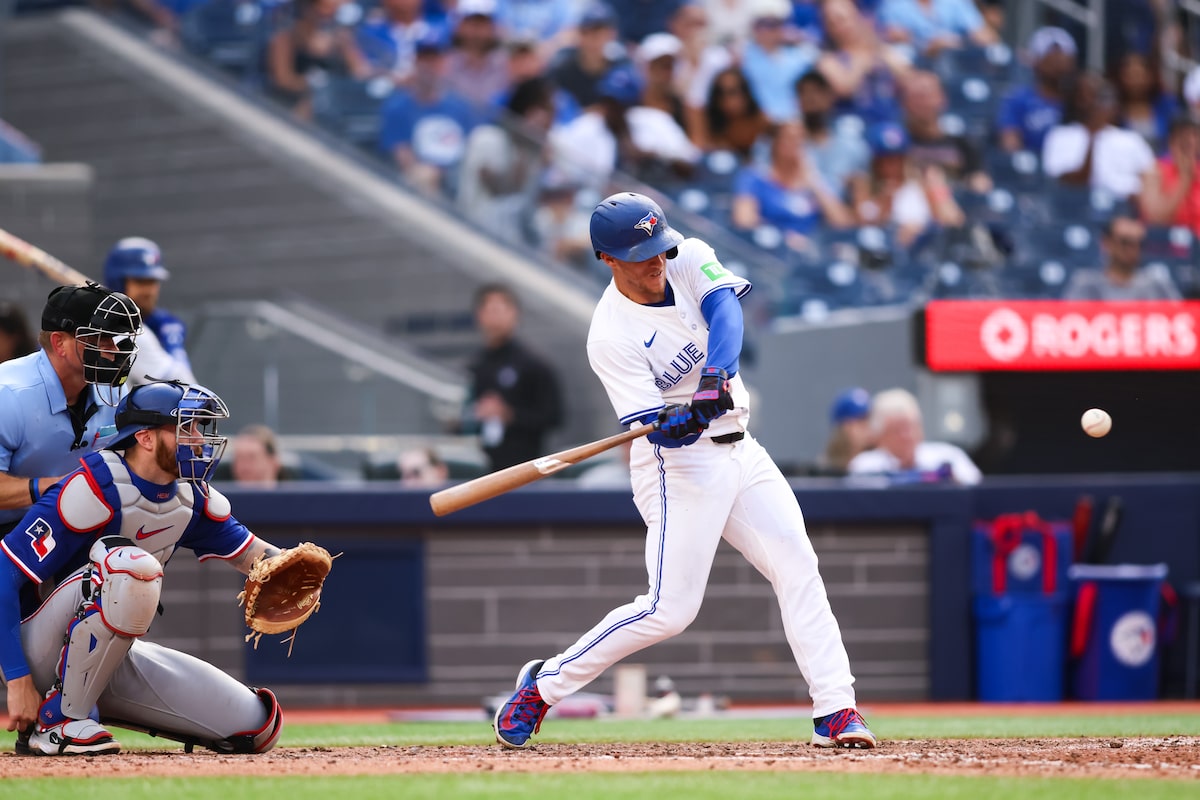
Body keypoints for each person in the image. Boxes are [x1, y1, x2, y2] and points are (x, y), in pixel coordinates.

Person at [490, 191, 877, 751]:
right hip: (679, 467)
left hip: (742, 449)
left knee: (798, 565)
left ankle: (836, 709)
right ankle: (544, 684)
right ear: (607, 258)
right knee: (669, 611)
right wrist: (680, 421)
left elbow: (726, 312)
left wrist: (714, 378)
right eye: (639, 254)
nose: (656, 261)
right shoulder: (610, 335)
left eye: (658, 247)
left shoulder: (688, 255)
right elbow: (659, 431)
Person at [0, 381, 289, 755]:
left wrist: (292, 567)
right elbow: (3, 575)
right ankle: (58, 723)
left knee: (257, 725)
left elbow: (258, 557)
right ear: (146, 438)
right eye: (186, 427)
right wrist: (18, 680)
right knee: (130, 567)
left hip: (109, 656)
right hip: (41, 650)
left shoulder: (191, 496)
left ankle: (85, 709)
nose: (198, 439)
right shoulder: (92, 487)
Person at [0, 283, 141, 536]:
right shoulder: (7, 393)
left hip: (70, 522)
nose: (113, 350)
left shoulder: (115, 389)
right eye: (99, 338)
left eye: (113, 338)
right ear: (59, 343)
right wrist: (62, 487)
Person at [464, 284, 563, 472]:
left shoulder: (534, 364)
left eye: (499, 310)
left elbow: (554, 417)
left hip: (524, 466)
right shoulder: (475, 365)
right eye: (489, 311)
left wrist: (509, 414)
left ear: (514, 313)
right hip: (481, 465)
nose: (494, 318)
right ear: (479, 315)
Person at [377, 29, 480, 197]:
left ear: (444, 63)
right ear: (415, 61)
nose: (430, 66)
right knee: (423, 176)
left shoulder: (460, 107)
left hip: (458, 180)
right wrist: (434, 175)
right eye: (425, 59)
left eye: (435, 59)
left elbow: (469, 150)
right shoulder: (397, 107)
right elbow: (404, 158)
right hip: (416, 185)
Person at [730, 121, 854, 249]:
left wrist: (814, 182)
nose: (796, 144)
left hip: (810, 250)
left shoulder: (816, 181)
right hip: (768, 249)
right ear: (774, 142)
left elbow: (843, 224)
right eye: (789, 138)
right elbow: (744, 220)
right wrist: (785, 238)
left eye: (801, 139)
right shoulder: (753, 177)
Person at [1042, 72, 1155, 201]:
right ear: (1077, 99)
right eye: (1090, 95)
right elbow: (1070, 183)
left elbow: (1151, 181)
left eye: (1102, 97)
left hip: (1126, 207)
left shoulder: (1131, 139)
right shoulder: (1060, 136)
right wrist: (1092, 137)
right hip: (1076, 207)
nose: (1096, 102)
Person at [102, 237, 196, 386]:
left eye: (152, 282)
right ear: (118, 283)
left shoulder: (156, 325)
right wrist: (173, 348)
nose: (149, 291)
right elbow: (184, 388)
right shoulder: (128, 333)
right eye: (140, 281)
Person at [847, 388, 981, 484]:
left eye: (910, 428)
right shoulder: (865, 466)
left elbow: (976, 491)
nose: (907, 436)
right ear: (880, 436)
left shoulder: (949, 456)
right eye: (897, 430)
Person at [265, 0, 372, 119]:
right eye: (323, 7)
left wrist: (346, 46)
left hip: (327, 113)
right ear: (307, 7)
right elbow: (283, 79)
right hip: (285, 108)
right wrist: (312, 86)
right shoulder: (286, 37)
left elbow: (360, 72)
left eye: (332, 9)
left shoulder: (339, 41)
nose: (327, 13)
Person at [1061, 213, 1182, 301]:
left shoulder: (1158, 286)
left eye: (1140, 243)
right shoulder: (1086, 284)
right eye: (1125, 242)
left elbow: (1182, 319)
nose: (1133, 249)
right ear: (1106, 243)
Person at [995, 26, 1077, 155]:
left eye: (1063, 57)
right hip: (1033, 163)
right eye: (1052, 56)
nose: (1059, 64)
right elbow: (1010, 144)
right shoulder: (1019, 99)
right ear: (1036, 60)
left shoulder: (1080, 99)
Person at [795, 70, 870, 199]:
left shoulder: (852, 146)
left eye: (817, 92)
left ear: (829, 97)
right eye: (804, 93)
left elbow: (862, 194)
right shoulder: (786, 145)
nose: (810, 98)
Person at [1141, 116, 1200, 236]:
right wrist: (1184, 180)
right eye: (1184, 136)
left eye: (1194, 135)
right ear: (1172, 141)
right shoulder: (1155, 171)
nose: (1190, 141)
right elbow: (1155, 218)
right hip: (1167, 241)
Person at [876, 0, 997, 58]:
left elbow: (985, 35)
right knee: (899, 53)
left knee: (995, 52)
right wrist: (929, 45)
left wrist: (956, 41)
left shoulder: (956, 2)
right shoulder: (894, 4)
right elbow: (893, 35)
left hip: (958, 55)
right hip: (917, 57)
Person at [817, 386, 873, 475]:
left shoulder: (879, 462)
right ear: (845, 427)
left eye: (868, 420)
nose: (868, 427)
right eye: (861, 420)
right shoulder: (827, 467)